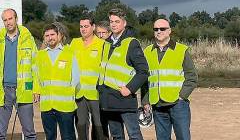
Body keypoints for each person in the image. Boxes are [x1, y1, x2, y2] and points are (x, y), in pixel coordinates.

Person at [142, 19, 198, 140]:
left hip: (178, 105)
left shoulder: (181, 50)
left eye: (162, 29)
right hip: (158, 106)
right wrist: (145, 101)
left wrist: (182, 96)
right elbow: (145, 80)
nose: (159, 31)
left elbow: (192, 77)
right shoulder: (147, 52)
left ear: (169, 31)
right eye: (156, 29)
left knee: (183, 137)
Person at [98, 9, 148, 140]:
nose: (113, 24)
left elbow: (143, 71)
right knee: (117, 136)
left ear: (124, 23)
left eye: (117, 21)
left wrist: (129, 89)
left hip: (124, 99)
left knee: (134, 135)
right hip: (109, 99)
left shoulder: (131, 43)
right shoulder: (106, 43)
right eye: (111, 22)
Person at [0, 8, 38, 140]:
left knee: (29, 132)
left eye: (10, 19)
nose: (8, 22)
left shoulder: (28, 39)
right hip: (3, 91)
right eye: (5, 20)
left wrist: (36, 89)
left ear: (16, 19)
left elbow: (35, 65)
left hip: (24, 89)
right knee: (0, 133)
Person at [35, 23, 79, 140]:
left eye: (52, 34)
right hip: (47, 105)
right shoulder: (40, 55)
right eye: (47, 35)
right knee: (49, 136)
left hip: (65, 105)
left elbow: (76, 78)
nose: (50, 37)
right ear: (44, 38)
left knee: (68, 136)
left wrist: (69, 94)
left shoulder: (69, 53)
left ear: (59, 35)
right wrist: (36, 91)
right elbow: (36, 76)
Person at [70, 17, 107, 140]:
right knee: (81, 125)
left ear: (93, 27)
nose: (83, 29)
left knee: (99, 126)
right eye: (81, 26)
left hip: (96, 94)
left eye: (86, 26)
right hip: (79, 93)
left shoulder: (102, 44)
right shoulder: (74, 43)